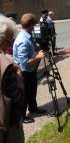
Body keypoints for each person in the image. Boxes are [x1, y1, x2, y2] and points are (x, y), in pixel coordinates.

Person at [13, 13, 46, 124]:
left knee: (32, 91)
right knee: (25, 94)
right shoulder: (23, 40)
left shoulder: (28, 34)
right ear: (31, 25)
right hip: (25, 72)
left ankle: (33, 108)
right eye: (34, 24)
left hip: (31, 70)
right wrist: (38, 56)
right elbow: (24, 63)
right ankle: (22, 116)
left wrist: (37, 50)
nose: (35, 26)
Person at [0, 15, 24, 143]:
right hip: (9, 126)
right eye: (8, 41)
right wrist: (18, 75)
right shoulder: (6, 65)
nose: (10, 44)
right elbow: (17, 102)